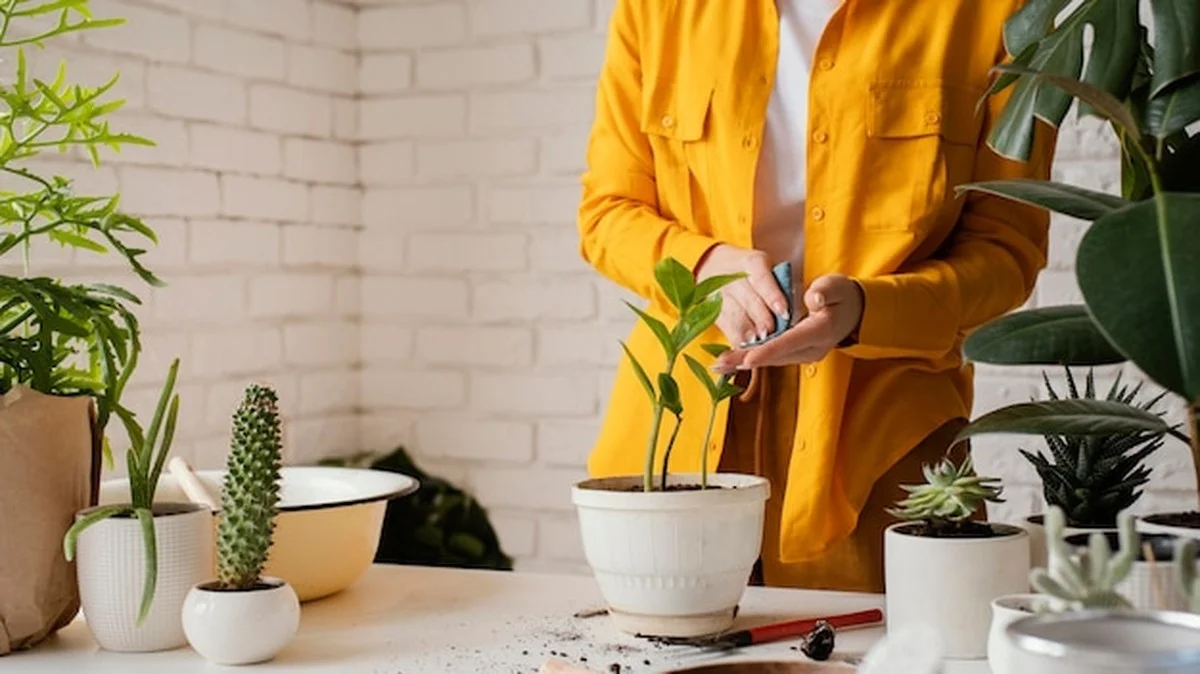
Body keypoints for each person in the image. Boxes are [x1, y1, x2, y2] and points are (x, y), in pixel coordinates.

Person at [576, 0, 1058, 593]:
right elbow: (607, 213)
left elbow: (1007, 251)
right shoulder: (655, 11)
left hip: (881, 444)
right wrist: (703, 268)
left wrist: (868, 311)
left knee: (890, 640)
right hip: (678, 435)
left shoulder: (1002, 13)